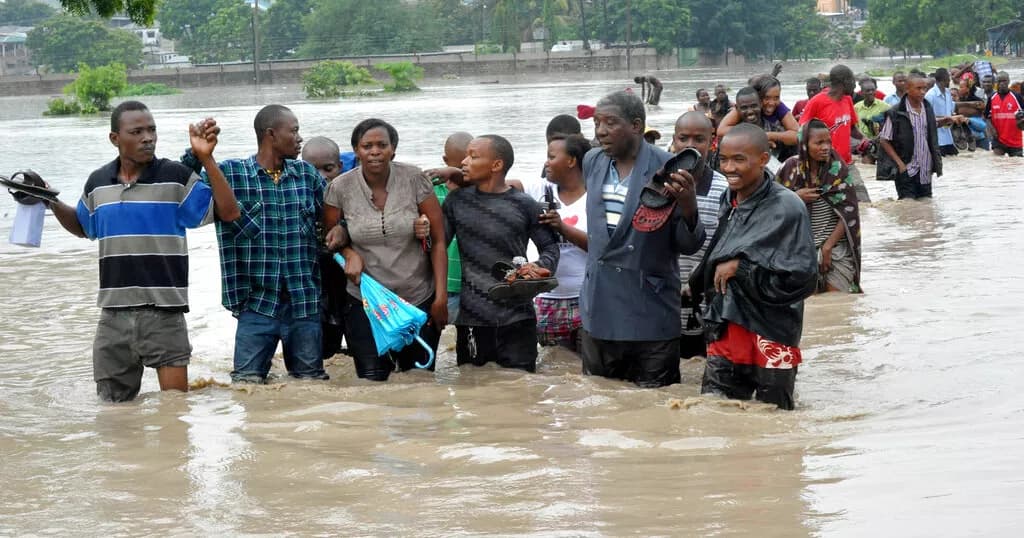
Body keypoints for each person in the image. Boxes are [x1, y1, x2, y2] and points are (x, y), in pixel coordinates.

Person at [45, 101, 240, 401]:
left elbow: (228, 212)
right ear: (115, 139)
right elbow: (85, 227)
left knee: (175, 409)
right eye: (137, 132)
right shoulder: (98, 183)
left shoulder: (175, 177)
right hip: (113, 313)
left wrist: (207, 159)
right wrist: (49, 200)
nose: (147, 137)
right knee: (112, 412)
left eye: (151, 130)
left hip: (164, 311)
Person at [182, 104, 329, 384]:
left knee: (311, 386)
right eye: (294, 131)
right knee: (246, 386)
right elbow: (181, 183)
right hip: (256, 306)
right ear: (271, 134)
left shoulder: (307, 176)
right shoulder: (230, 174)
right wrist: (198, 154)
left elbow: (334, 219)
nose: (300, 138)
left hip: (304, 303)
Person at [579, 90, 705, 388]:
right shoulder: (592, 161)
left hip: (650, 311)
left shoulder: (670, 167)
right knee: (601, 405)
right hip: (599, 309)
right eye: (597, 123)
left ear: (636, 126)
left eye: (610, 123)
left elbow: (688, 245)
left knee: (654, 412)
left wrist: (688, 205)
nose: (600, 131)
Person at [696, 124, 817, 410]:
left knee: (776, 414)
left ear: (763, 160)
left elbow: (803, 279)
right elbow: (721, 248)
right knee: (715, 409)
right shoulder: (730, 198)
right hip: (730, 319)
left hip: (773, 328)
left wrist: (743, 269)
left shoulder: (787, 206)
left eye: (739, 159)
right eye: (723, 159)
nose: (728, 168)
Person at [322, 119, 448, 381]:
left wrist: (440, 299)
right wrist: (348, 253)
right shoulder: (340, 188)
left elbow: (438, 240)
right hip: (366, 302)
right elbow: (330, 238)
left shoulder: (414, 179)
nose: (375, 151)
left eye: (382, 145)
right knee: (372, 383)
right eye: (367, 146)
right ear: (356, 150)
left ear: (393, 149)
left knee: (419, 382)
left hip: (416, 299)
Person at [443, 135, 560, 372]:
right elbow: (437, 245)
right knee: (472, 390)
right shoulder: (456, 201)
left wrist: (537, 267)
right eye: (465, 155)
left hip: (518, 317)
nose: (464, 162)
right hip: (472, 317)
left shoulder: (525, 204)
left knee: (520, 390)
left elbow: (550, 247)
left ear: (496, 165)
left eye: (473, 156)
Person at [777, 120, 862, 294]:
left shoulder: (838, 169)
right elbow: (772, 207)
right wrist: (795, 197)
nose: (826, 147)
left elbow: (849, 213)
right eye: (819, 143)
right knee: (808, 302)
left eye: (828, 142)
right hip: (799, 250)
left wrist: (828, 247)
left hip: (836, 247)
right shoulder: (789, 168)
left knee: (837, 305)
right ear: (804, 145)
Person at [671, 111, 729, 359]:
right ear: (674, 140)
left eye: (699, 139)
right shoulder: (660, 185)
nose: (690, 146)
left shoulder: (724, 189)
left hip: (708, 297)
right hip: (668, 297)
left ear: (711, 142)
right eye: (684, 139)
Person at [530, 133, 591, 351]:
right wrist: (453, 172)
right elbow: (501, 186)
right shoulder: (538, 190)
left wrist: (563, 228)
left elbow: (602, 248)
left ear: (572, 161)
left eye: (551, 156)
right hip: (547, 299)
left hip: (587, 298)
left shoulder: (595, 196)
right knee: (553, 370)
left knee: (589, 373)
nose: (546, 162)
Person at [300, 136, 350, 360]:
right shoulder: (297, 197)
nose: (321, 176)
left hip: (350, 282)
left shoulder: (352, 194)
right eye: (313, 169)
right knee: (323, 350)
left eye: (328, 168)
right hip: (315, 287)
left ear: (339, 167)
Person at [799, 64, 870, 203]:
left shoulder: (848, 100)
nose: (855, 86)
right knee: (831, 205)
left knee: (865, 204)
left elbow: (852, 129)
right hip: (825, 165)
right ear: (844, 82)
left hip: (847, 163)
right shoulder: (817, 102)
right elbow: (802, 132)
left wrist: (865, 140)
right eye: (853, 81)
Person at [429, 131, 474, 324]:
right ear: (445, 161)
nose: (463, 169)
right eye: (457, 165)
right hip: (441, 282)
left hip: (471, 284)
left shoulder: (480, 191)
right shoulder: (431, 191)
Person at [877, 73, 942, 199]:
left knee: (926, 206)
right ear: (907, 89)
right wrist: (900, 164)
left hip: (925, 169)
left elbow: (929, 131)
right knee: (907, 205)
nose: (923, 92)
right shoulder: (896, 112)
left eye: (925, 88)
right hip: (906, 169)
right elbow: (884, 140)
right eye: (918, 88)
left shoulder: (928, 109)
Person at [718, 75, 799, 162]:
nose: (772, 103)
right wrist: (757, 137)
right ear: (758, 98)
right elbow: (721, 130)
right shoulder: (745, 106)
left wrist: (768, 135)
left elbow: (798, 135)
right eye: (767, 98)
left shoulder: (779, 107)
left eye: (776, 98)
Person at [925, 68, 965, 157]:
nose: (950, 79)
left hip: (948, 137)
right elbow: (927, 118)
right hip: (937, 139)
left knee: (955, 160)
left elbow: (951, 112)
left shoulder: (947, 93)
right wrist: (948, 118)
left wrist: (958, 118)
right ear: (944, 79)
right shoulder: (930, 96)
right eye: (949, 77)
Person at [984, 71, 1024, 157]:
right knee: (997, 164)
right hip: (998, 139)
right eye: (999, 81)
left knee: (1015, 165)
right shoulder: (992, 97)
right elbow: (986, 116)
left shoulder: (1017, 97)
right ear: (996, 83)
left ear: (1009, 81)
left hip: (1015, 140)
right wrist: (991, 129)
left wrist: (1020, 123)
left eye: (1004, 81)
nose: (1002, 83)